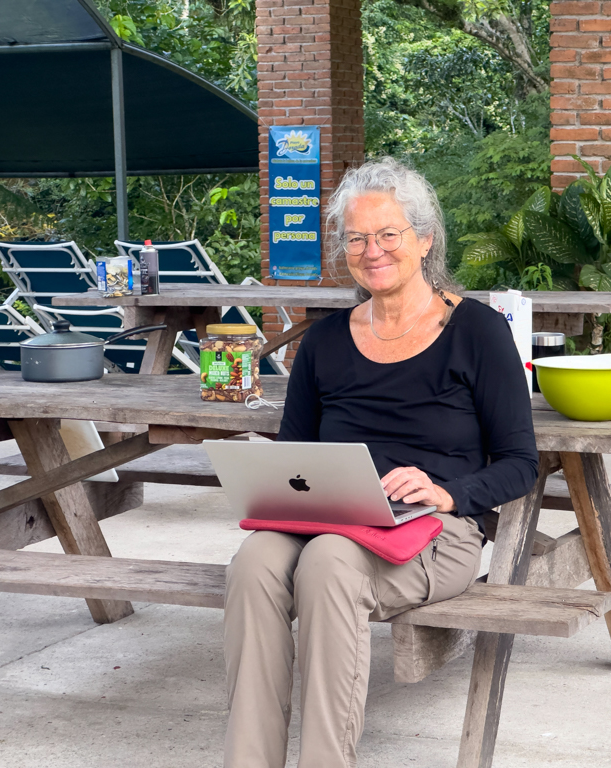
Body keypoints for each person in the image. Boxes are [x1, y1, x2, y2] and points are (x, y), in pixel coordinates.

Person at [223, 157, 539, 768]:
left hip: (434, 531)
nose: (373, 250)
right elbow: (296, 454)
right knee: (255, 560)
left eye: (388, 234)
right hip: (335, 518)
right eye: (357, 238)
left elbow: (521, 463)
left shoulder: (477, 331)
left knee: (329, 565)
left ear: (424, 240)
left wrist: (447, 492)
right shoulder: (323, 341)